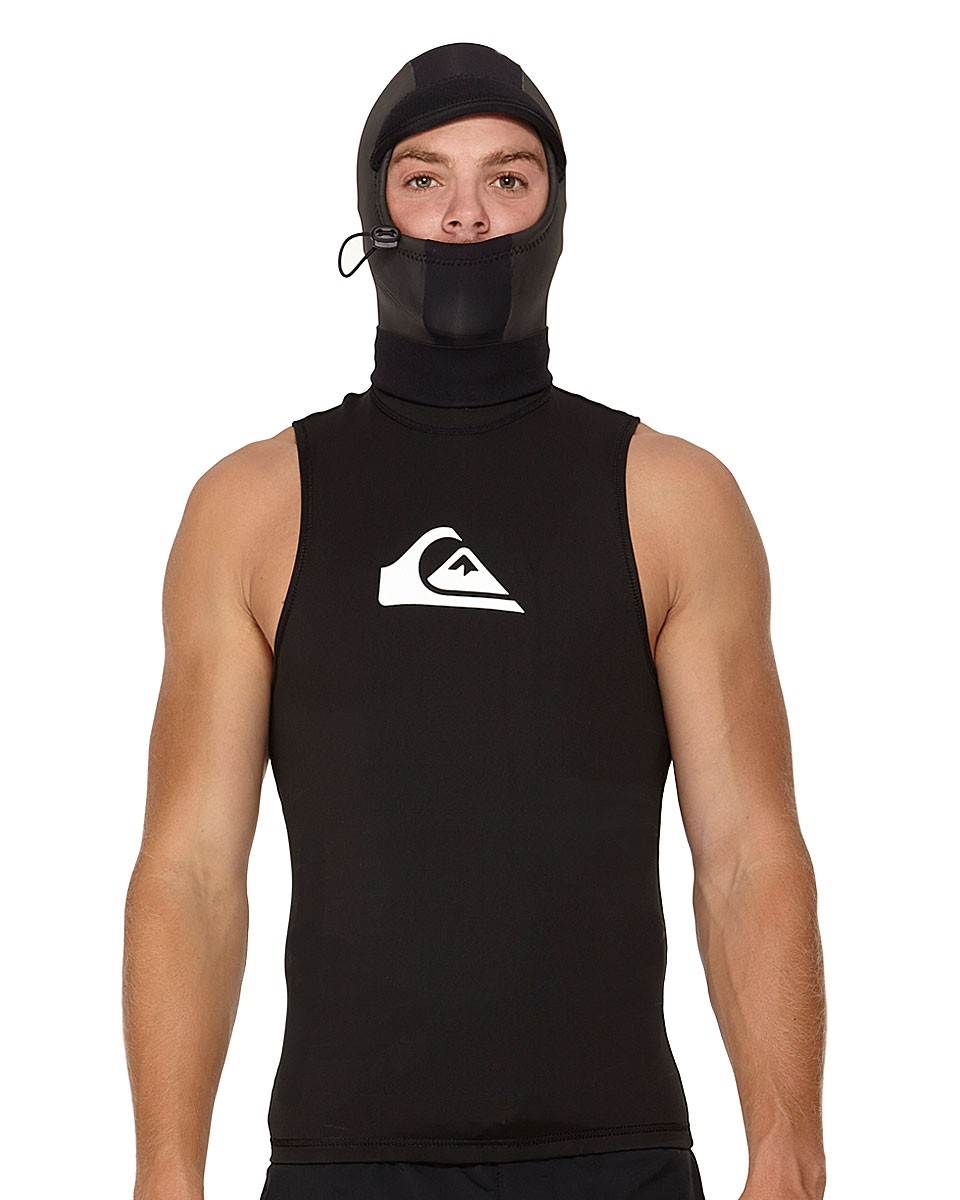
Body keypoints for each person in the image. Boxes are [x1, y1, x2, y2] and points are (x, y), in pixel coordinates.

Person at [122, 42, 827, 1200]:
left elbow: (748, 852)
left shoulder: (669, 497)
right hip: (344, 1166)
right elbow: (193, 870)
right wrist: (165, 1176)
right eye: (423, 179)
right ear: (373, 213)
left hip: (616, 1161)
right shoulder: (254, 506)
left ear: (556, 210)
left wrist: (789, 1157)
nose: (465, 215)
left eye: (507, 178)